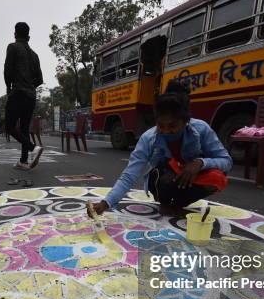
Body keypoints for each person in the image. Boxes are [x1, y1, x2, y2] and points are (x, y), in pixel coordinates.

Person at [87, 80, 232, 218]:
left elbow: (226, 161)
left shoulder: (201, 129)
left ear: (186, 121)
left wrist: (200, 163)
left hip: (189, 179)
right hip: (163, 182)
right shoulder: (149, 138)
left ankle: (179, 204)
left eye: (173, 126)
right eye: (161, 126)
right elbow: (130, 175)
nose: (166, 131)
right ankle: (166, 203)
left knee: (217, 178)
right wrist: (106, 203)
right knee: (163, 171)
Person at [3, 22, 44, 170]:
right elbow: (39, 79)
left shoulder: (12, 47)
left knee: (9, 127)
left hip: (18, 92)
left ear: (15, 34)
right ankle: (23, 161)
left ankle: (33, 148)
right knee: (25, 128)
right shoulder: (35, 55)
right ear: (28, 36)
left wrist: (9, 87)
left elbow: (7, 71)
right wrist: (30, 86)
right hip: (31, 96)